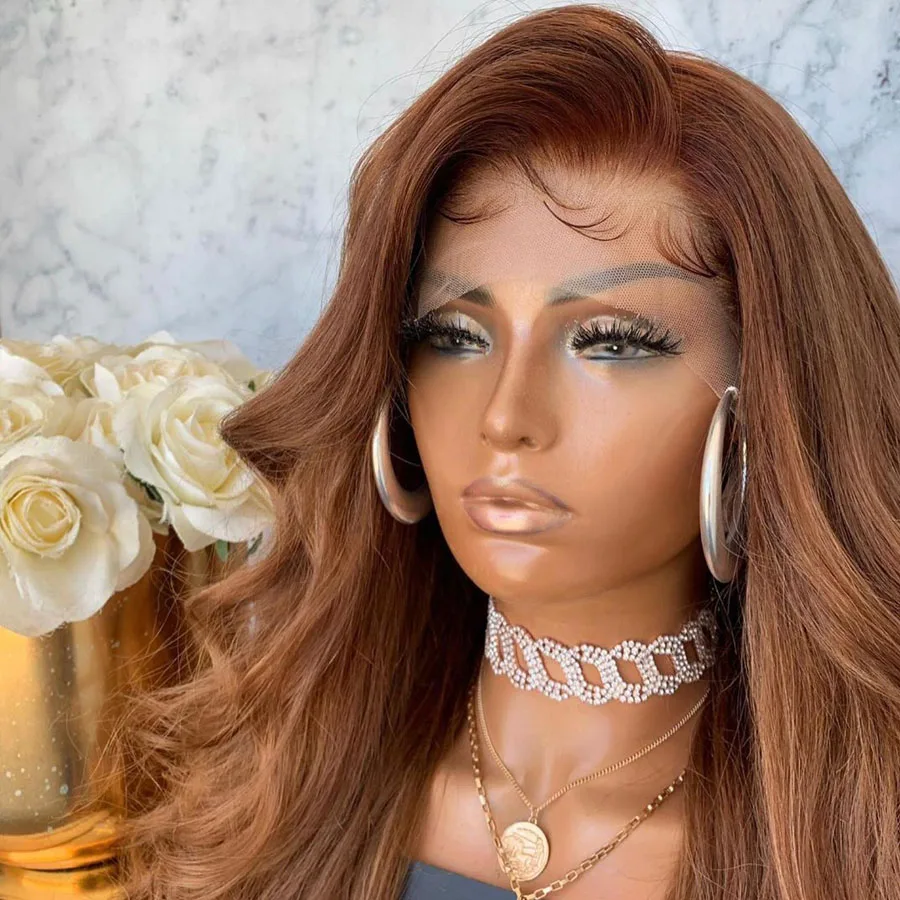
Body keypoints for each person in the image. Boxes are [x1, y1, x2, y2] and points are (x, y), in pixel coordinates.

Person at [113, 5, 900, 900]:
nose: (505, 417)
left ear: (769, 401)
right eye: (454, 336)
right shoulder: (280, 784)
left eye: (611, 342)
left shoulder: (846, 848)